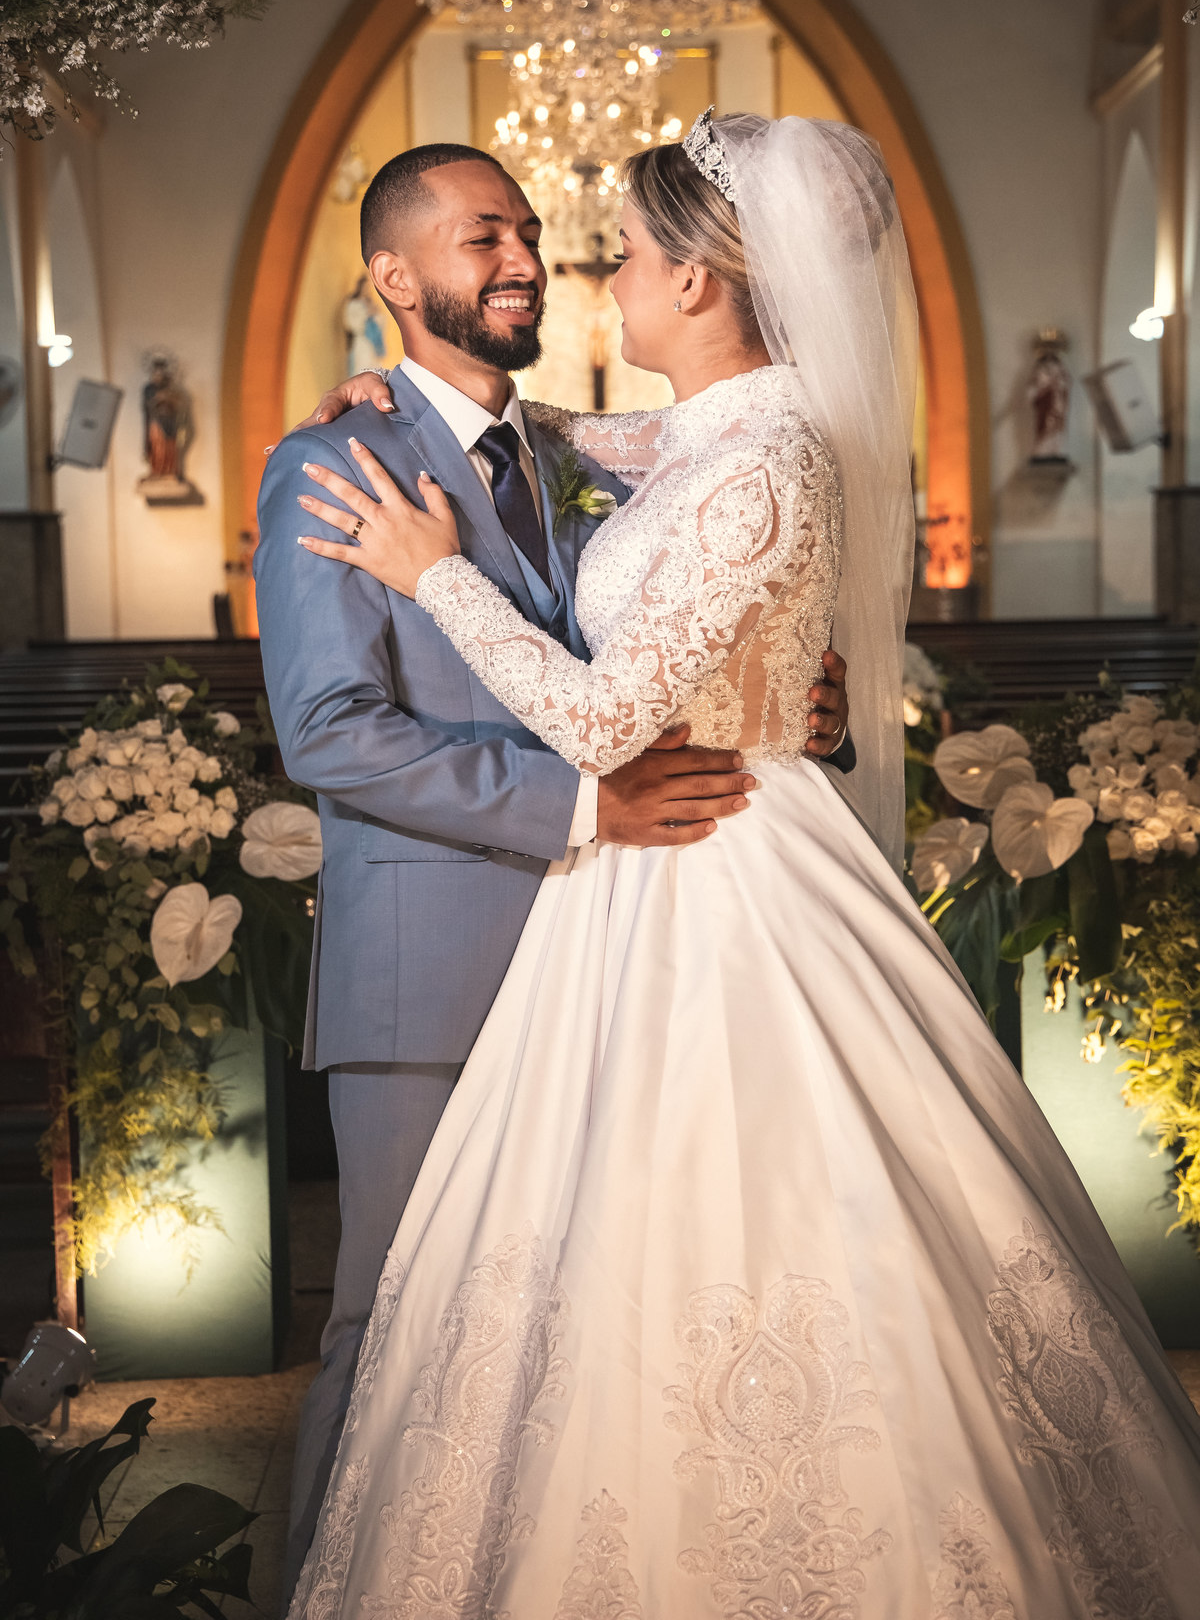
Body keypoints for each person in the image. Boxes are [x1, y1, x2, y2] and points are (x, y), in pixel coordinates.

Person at [282, 111, 1200, 1617]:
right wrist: (406, 400)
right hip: (626, 884)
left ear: (705, 280)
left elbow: (603, 714)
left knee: (765, 1217)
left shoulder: (766, 449)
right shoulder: (704, 428)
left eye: (626, 255)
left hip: (709, 861)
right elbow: (565, 446)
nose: (598, 280)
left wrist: (428, 566)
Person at [253, 138, 853, 1607]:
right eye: (480, 240)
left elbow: (694, 605)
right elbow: (330, 732)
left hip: (628, 961)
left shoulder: (578, 452)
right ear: (394, 281)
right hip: (439, 967)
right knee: (400, 1339)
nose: (526, 259)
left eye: (530, 228)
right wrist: (585, 810)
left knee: (580, 1341)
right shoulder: (338, 459)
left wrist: (786, 708)